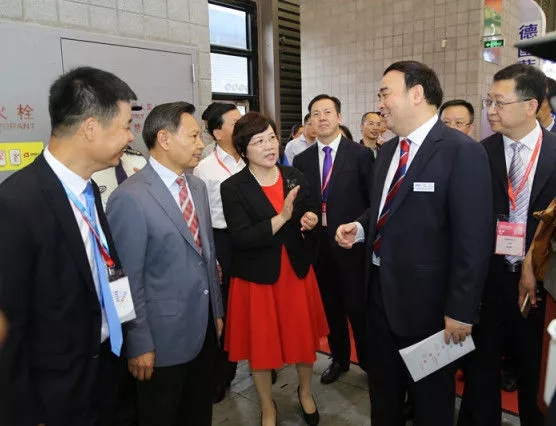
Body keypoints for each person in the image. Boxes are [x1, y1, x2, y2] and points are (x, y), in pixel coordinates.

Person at [335, 60, 492, 426]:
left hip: (431, 311)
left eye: (385, 94)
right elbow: (385, 209)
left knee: (431, 405)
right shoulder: (388, 151)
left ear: (417, 93)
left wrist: (461, 310)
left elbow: (473, 238)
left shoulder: (460, 151)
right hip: (378, 299)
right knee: (383, 397)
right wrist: (360, 228)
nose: (380, 104)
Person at [0, 66, 137, 426]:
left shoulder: (88, 187)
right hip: (57, 394)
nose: (130, 136)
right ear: (90, 128)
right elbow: (9, 328)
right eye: (125, 126)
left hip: (108, 370)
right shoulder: (17, 203)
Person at [106, 101, 224, 426]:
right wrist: (138, 341)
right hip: (160, 343)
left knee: (198, 414)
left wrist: (216, 312)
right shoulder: (130, 197)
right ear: (164, 139)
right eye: (194, 136)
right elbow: (125, 280)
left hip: (202, 332)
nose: (202, 144)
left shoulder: (196, 186)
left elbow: (207, 254)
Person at [458, 63, 556, 426]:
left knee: (535, 374)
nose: (491, 110)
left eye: (500, 102)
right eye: (488, 101)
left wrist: (535, 260)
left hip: (541, 285)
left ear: (531, 106)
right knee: (481, 373)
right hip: (489, 282)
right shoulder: (477, 153)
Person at [220, 111, 328, 426]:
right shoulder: (233, 187)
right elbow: (240, 238)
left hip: (295, 272)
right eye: (259, 141)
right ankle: (267, 406)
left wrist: (309, 220)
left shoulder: (294, 175)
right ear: (243, 149)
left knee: (303, 341)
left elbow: (308, 209)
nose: (269, 146)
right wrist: (281, 218)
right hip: (258, 279)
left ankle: (305, 392)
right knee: (261, 347)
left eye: (271, 137)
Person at [293, 94, 374, 385]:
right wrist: (304, 216)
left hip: (350, 245)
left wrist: (358, 228)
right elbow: (300, 202)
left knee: (358, 309)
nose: (322, 118)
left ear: (339, 117)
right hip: (318, 247)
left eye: (327, 112)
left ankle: (370, 363)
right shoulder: (301, 160)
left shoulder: (360, 155)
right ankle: (339, 359)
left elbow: (373, 203)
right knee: (331, 309)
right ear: (310, 122)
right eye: (316, 114)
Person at [193, 102, 244, 403]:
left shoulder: (252, 157)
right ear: (217, 132)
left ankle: (262, 362)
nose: (242, 125)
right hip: (222, 241)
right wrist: (211, 256)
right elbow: (200, 217)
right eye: (235, 122)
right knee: (225, 308)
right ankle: (223, 373)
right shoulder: (204, 167)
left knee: (252, 303)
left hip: (251, 238)